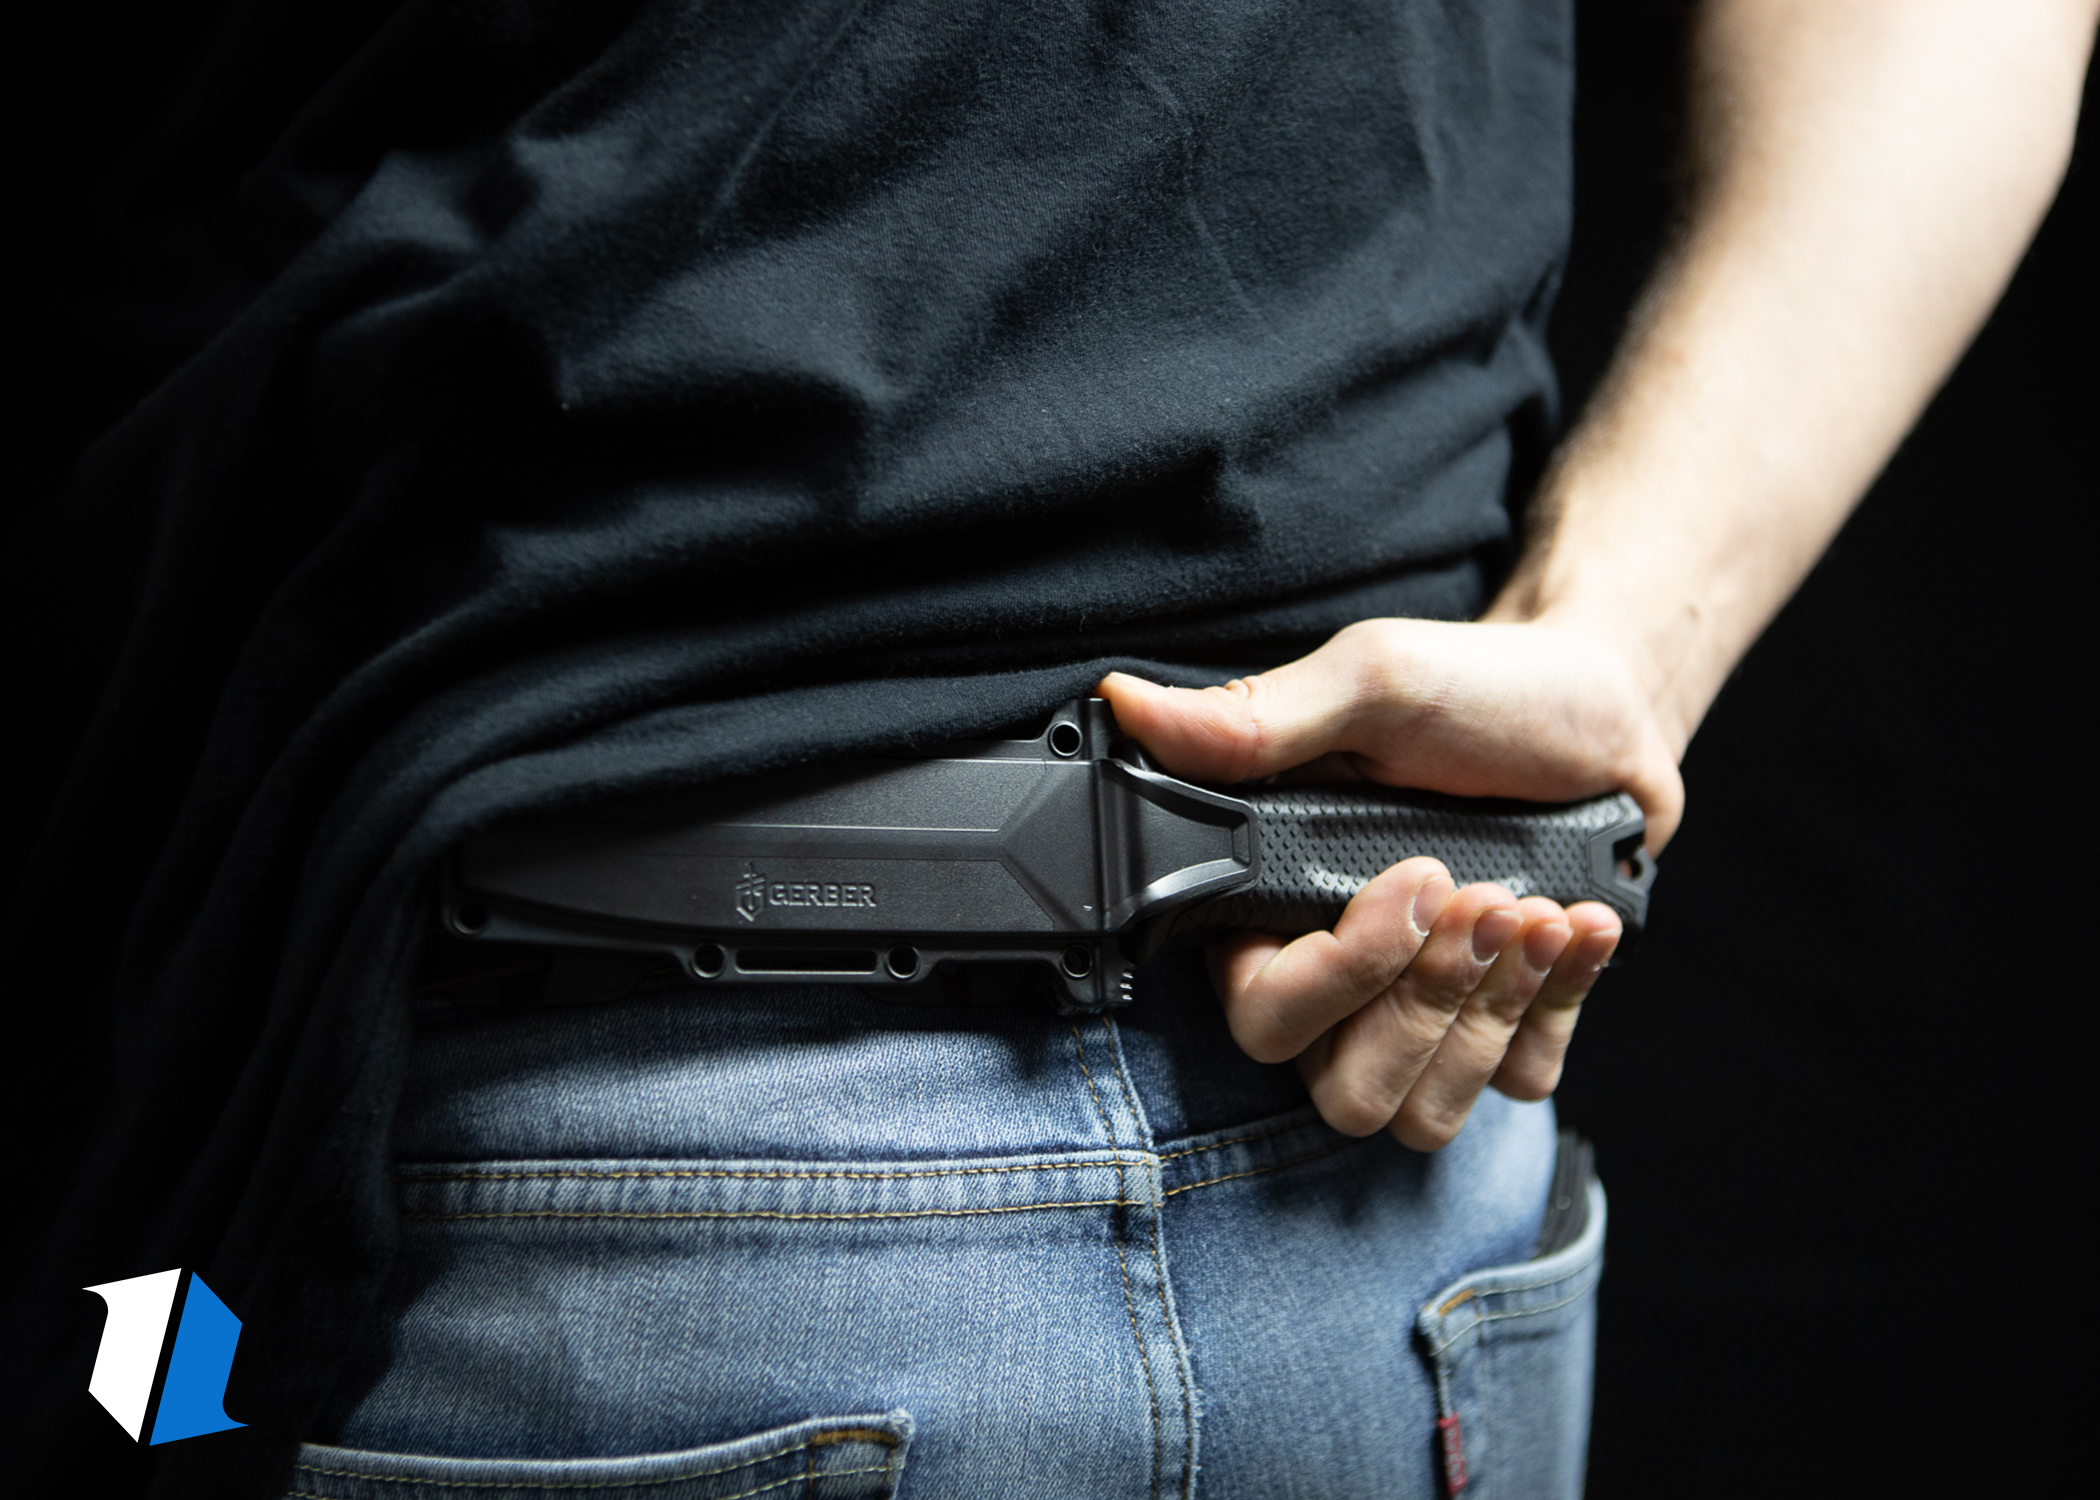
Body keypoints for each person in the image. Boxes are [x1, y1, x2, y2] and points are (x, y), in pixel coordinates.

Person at [4, 2, 2092, 1497]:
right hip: (1395, 1240)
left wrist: (1617, 650)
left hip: (544, 1191)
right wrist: (1624, 626)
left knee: (130, 1379)